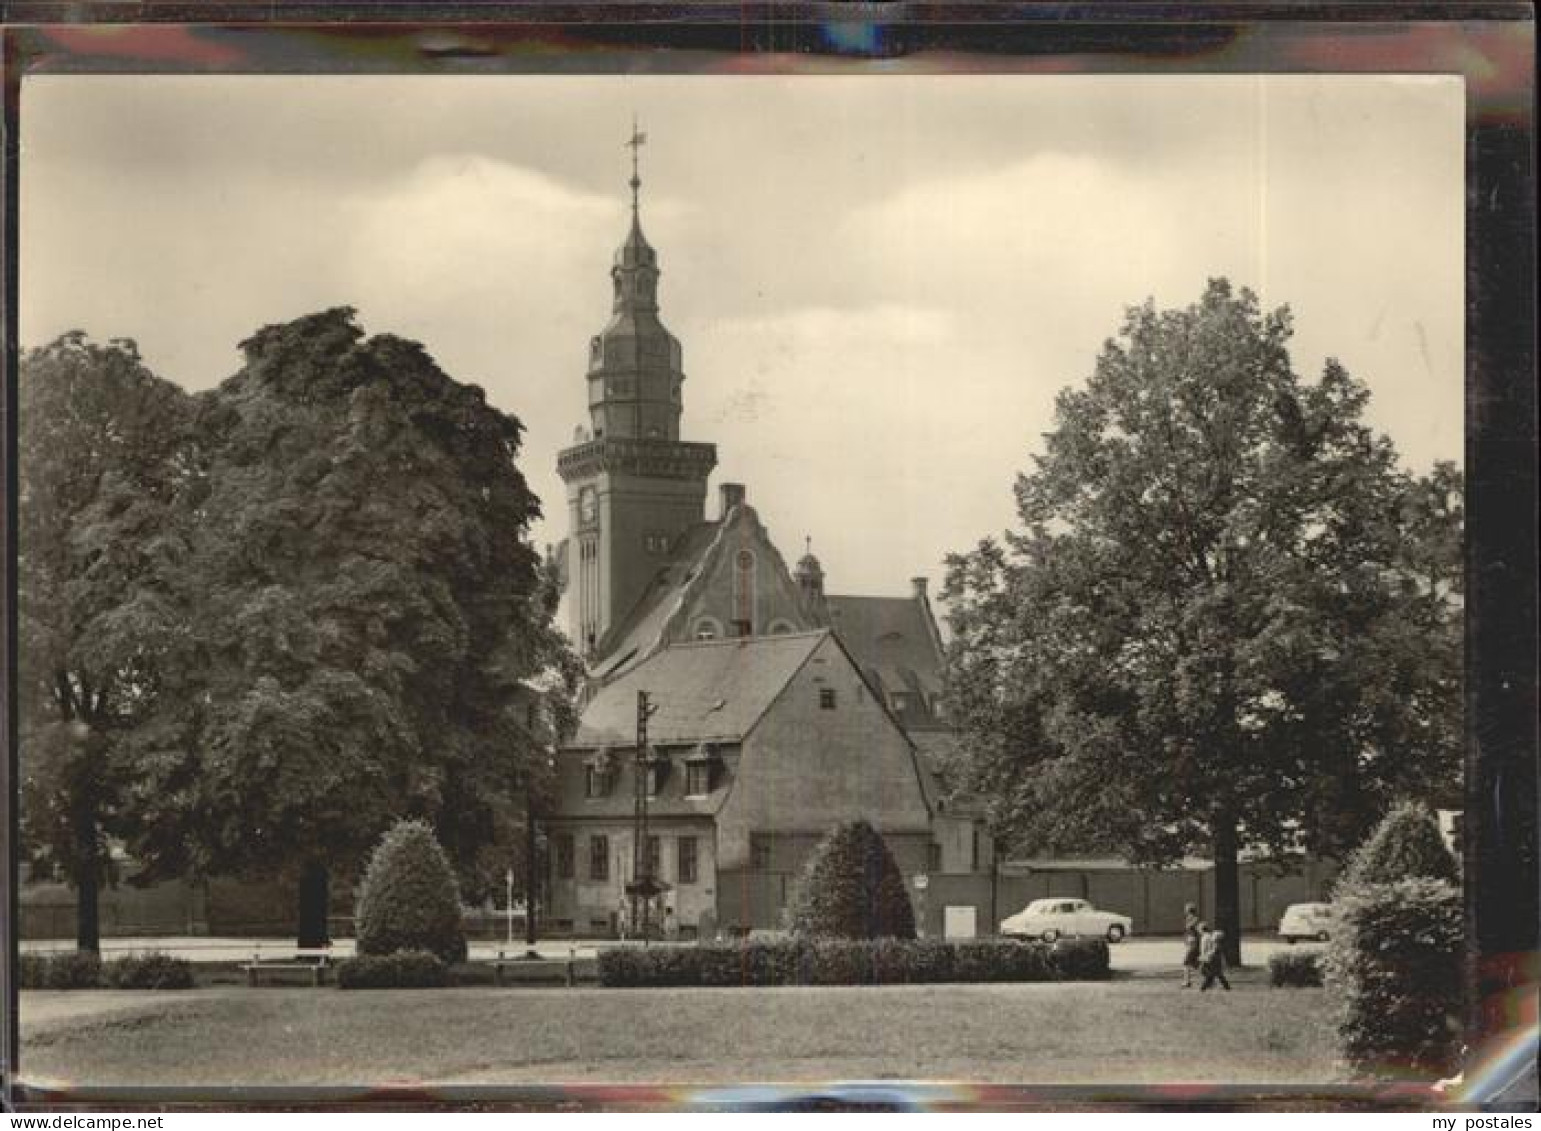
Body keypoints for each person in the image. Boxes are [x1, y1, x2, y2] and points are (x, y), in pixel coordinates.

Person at [1199, 925, 1232, 992]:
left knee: (1212, 974)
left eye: (1214, 937)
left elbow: (1214, 952)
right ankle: (1227, 987)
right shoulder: (1217, 944)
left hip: (1214, 960)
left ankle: (1203, 988)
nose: (1213, 937)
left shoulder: (1217, 944)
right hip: (1215, 960)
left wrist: (1206, 956)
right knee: (1217, 974)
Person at [1181, 903, 1202, 988]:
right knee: (1195, 964)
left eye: (1186, 909)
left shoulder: (1195, 920)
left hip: (1194, 944)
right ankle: (1210, 978)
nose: (1185, 911)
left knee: (1186, 963)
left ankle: (1187, 982)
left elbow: (1198, 932)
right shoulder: (1189, 919)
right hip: (1191, 944)